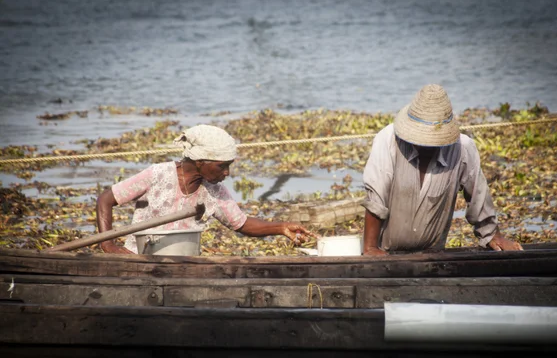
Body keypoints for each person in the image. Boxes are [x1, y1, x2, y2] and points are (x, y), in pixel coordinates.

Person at [96, 124, 316, 254]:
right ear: (200, 161)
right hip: (138, 258)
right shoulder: (157, 175)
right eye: (222, 166)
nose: (227, 173)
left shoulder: (214, 192)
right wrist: (109, 246)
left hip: (183, 265)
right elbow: (106, 200)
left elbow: (242, 224)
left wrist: (281, 227)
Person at [361, 84, 523, 256]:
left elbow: (478, 195)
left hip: (433, 255)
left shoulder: (462, 148)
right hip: (386, 251)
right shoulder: (387, 141)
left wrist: (492, 235)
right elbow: (376, 198)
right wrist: (370, 248)